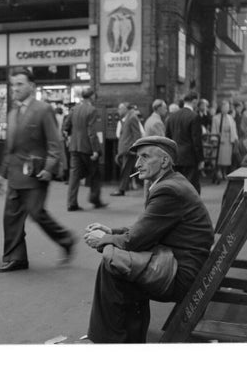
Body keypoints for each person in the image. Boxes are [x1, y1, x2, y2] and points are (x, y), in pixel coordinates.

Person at [83, 136, 214, 343]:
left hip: (181, 274)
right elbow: (148, 228)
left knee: (114, 267)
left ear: (164, 161)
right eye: (137, 158)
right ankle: (125, 338)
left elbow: (135, 240)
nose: (137, 164)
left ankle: (110, 341)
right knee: (119, 264)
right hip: (182, 264)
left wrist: (103, 239)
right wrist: (111, 230)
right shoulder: (172, 182)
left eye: (144, 157)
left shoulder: (168, 190)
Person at [0, 67, 77, 273]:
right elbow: (10, 149)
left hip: (36, 174)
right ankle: (15, 258)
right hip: (14, 174)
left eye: (20, 84)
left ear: (32, 86)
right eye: (13, 85)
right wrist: (0, 175)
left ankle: (66, 239)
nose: (16, 89)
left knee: (37, 213)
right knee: (11, 217)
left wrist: (49, 168)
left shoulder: (43, 109)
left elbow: (54, 144)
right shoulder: (12, 114)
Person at [63, 88, 106, 211]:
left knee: (74, 175)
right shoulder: (92, 110)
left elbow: (66, 126)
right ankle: (95, 199)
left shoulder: (74, 109)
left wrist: (71, 136)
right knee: (95, 173)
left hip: (74, 147)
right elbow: (91, 131)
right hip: (87, 147)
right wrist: (95, 150)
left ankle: (71, 203)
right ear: (91, 96)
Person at [165, 91, 204, 193]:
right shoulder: (194, 116)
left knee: (177, 186)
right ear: (194, 101)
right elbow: (196, 140)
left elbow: (167, 138)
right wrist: (200, 159)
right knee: (191, 187)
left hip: (175, 156)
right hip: (190, 157)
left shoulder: (172, 117)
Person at [111, 102, 142, 196]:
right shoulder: (127, 118)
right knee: (126, 169)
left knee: (125, 169)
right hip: (125, 149)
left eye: (120, 109)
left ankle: (122, 189)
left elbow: (137, 134)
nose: (118, 111)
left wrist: (134, 148)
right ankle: (123, 188)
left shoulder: (132, 117)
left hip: (129, 149)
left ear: (125, 109)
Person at [211, 100, 238, 181]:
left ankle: (224, 172)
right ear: (221, 108)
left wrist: (235, 139)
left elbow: (234, 129)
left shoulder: (230, 118)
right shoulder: (216, 118)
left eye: (227, 107)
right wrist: (215, 138)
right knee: (219, 158)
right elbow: (214, 129)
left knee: (227, 159)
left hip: (228, 140)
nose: (226, 109)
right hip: (220, 140)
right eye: (225, 107)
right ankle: (218, 171)